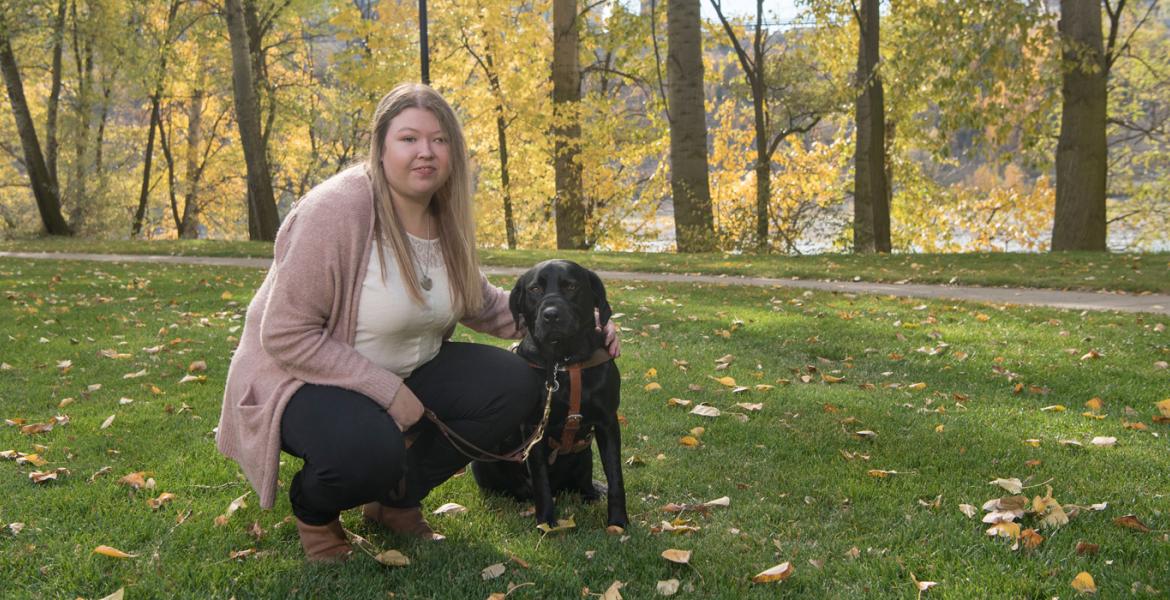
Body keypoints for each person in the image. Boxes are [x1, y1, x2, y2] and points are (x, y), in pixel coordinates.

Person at [216, 83, 619, 562]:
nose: (425, 152)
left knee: (514, 384)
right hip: (304, 380)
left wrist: (581, 324)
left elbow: (482, 303)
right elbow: (284, 333)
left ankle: (395, 501)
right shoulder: (335, 211)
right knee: (373, 447)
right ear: (381, 148)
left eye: (440, 139)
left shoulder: (443, 216)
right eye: (409, 139)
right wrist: (386, 390)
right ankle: (316, 515)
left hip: (407, 370)